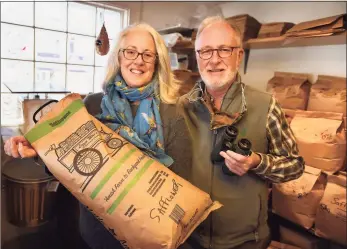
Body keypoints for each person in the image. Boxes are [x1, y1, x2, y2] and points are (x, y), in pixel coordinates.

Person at [3, 22, 192, 249]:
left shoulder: (172, 113)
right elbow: (67, 160)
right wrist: (38, 151)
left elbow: (181, 183)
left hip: (150, 236)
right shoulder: (92, 104)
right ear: (119, 57)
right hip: (97, 233)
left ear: (157, 61)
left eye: (147, 54)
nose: (138, 60)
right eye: (130, 51)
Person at [177, 16, 305, 249]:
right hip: (188, 238)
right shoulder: (180, 108)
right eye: (205, 51)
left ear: (239, 55)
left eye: (224, 49)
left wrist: (257, 162)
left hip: (245, 241)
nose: (214, 60)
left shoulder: (266, 106)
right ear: (196, 57)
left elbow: (294, 166)